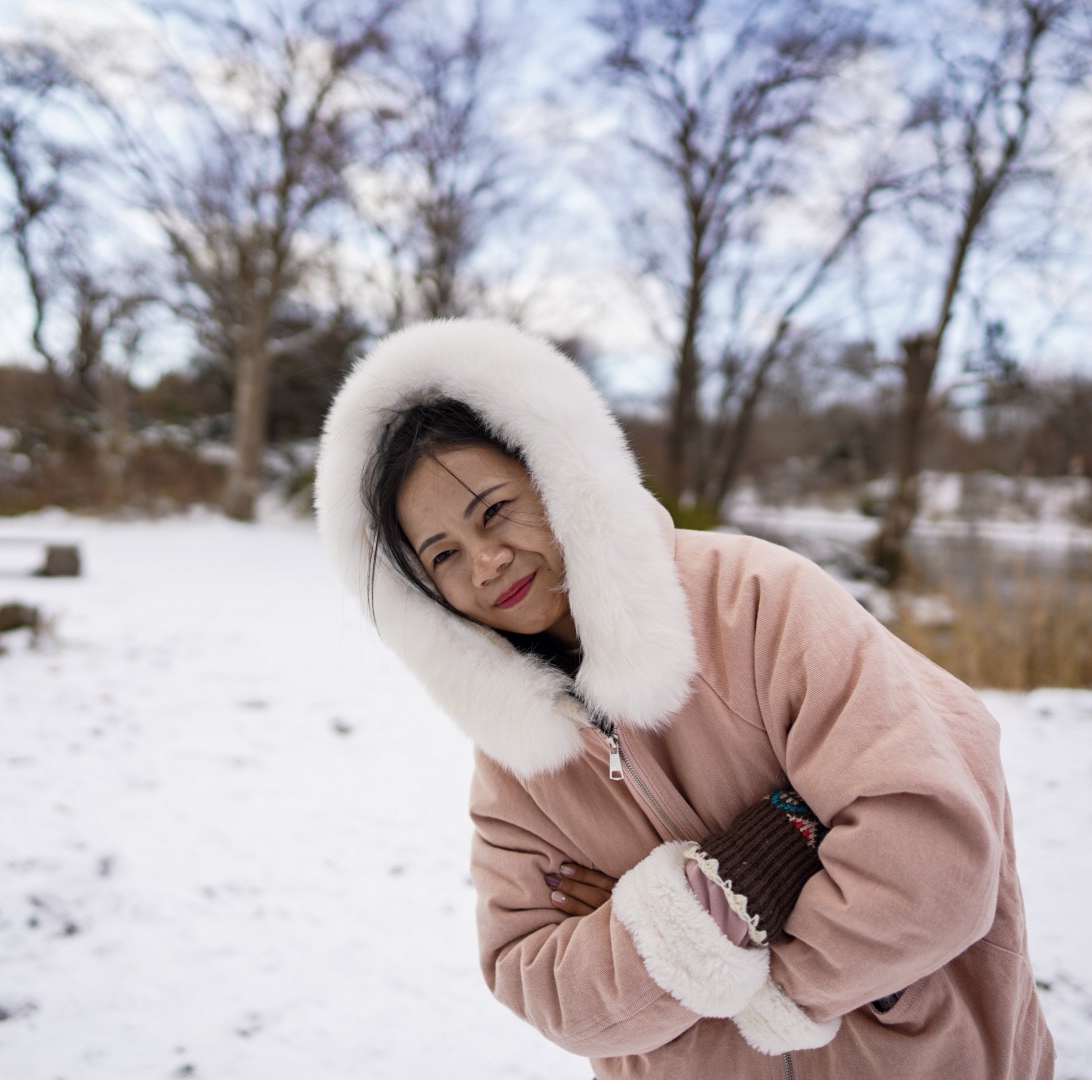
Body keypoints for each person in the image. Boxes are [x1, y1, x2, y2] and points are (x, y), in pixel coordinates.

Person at [314, 319, 1054, 1078]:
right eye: (443, 556)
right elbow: (540, 984)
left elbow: (934, 854)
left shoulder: (756, 600)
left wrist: (763, 987)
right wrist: (736, 883)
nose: (486, 561)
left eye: (493, 512)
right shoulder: (514, 760)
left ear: (554, 473)